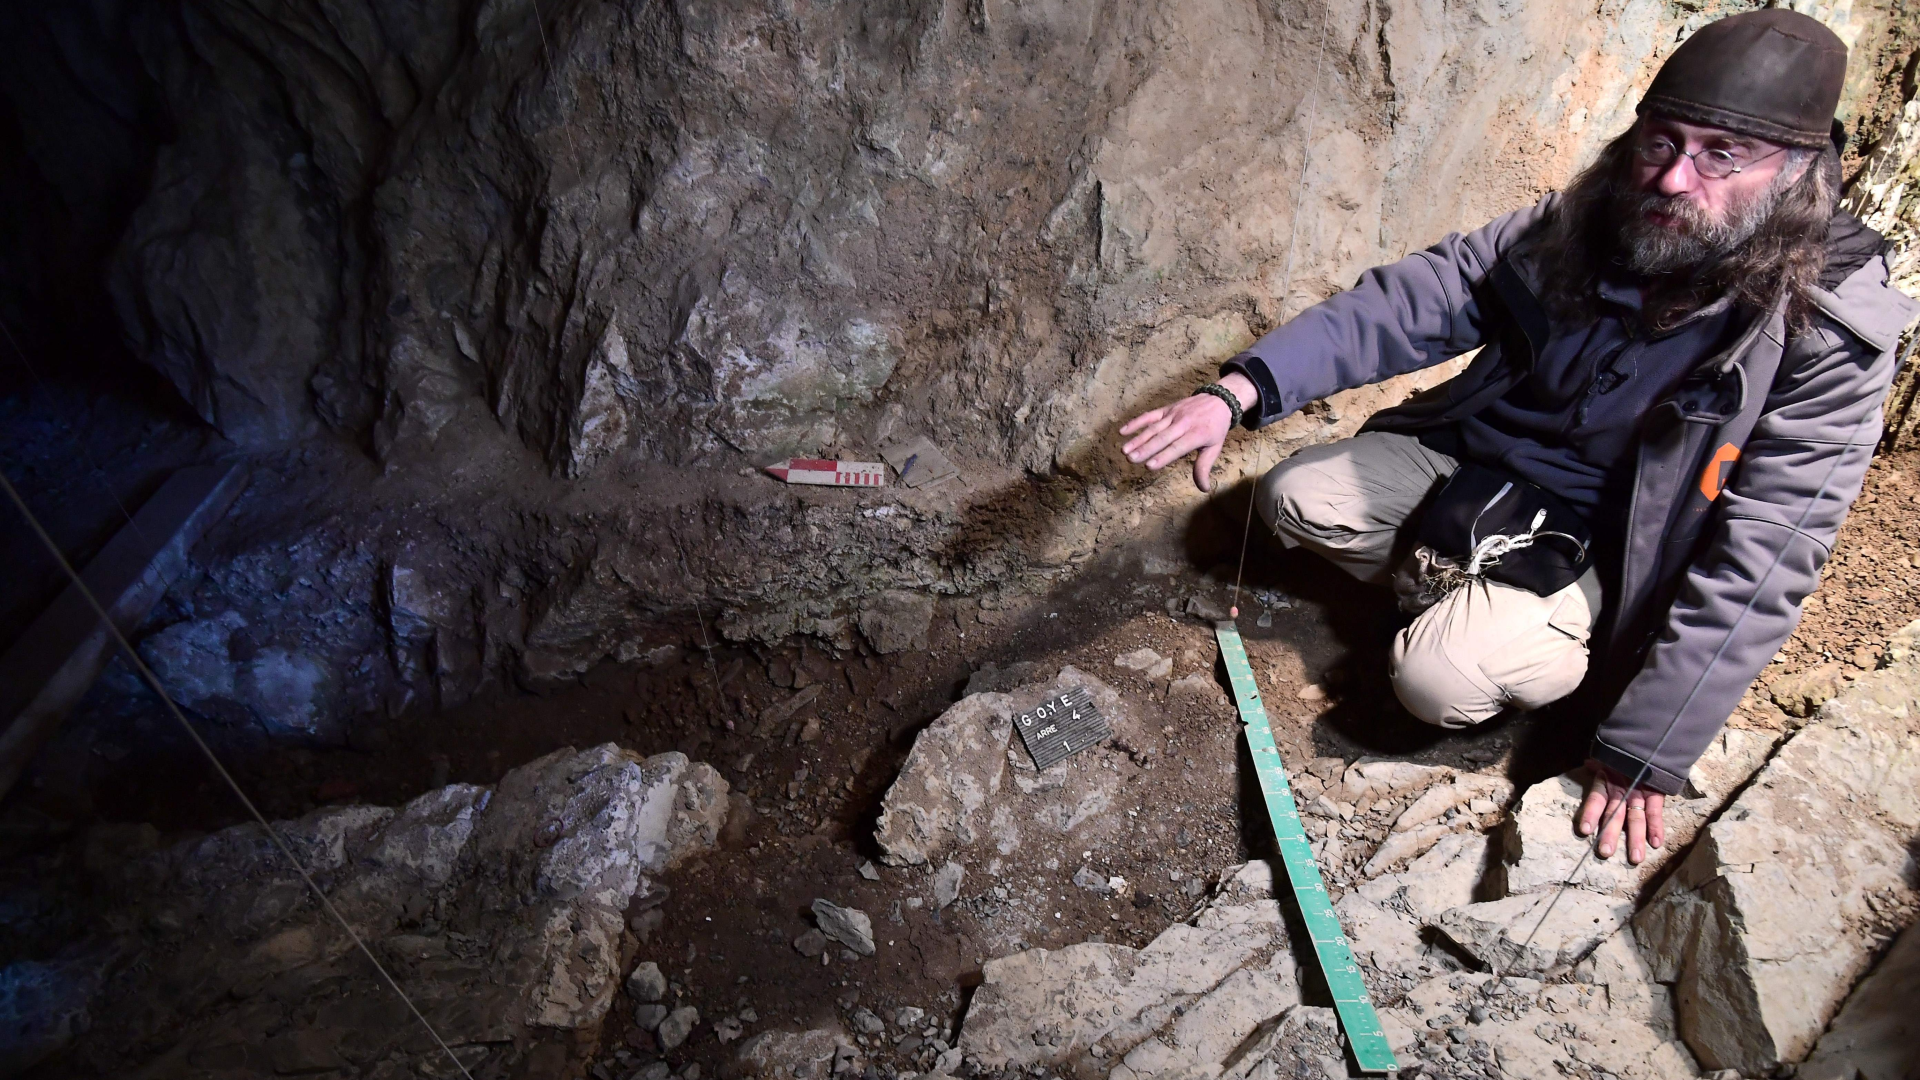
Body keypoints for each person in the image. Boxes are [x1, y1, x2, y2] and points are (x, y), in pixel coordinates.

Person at [1120, 10, 1918, 864]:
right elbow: (1421, 298)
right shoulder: (1599, 214)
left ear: (1796, 166)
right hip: (1484, 474)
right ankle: (1468, 596)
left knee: (1436, 679)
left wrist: (1646, 752)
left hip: (1611, 549)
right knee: (1294, 498)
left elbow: (1769, 550)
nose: (1677, 179)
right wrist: (1242, 389)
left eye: (1722, 154)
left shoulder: (1828, 326)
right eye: (1662, 140)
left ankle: (1526, 643)